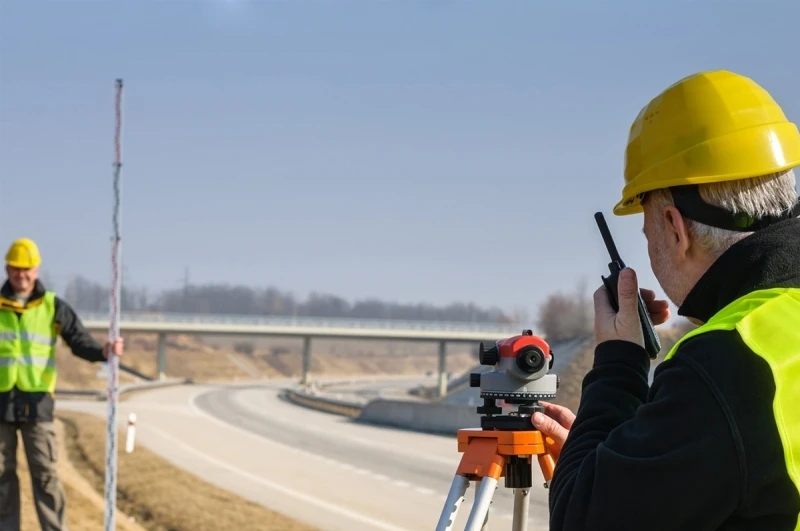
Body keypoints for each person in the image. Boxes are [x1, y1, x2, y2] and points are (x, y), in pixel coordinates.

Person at [533, 70, 800, 530]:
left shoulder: (724, 368)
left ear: (675, 228)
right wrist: (625, 454)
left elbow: (582, 520)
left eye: (647, 231)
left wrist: (619, 364)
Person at [0, 237, 124, 531]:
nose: (22, 275)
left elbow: (78, 341)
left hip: (37, 405)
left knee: (45, 476)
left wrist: (103, 352)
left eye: (27, 269)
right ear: (7, 269)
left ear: (37, 270)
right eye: (16, 269)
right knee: (2, 477)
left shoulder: (53, 306)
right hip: (0, 405)